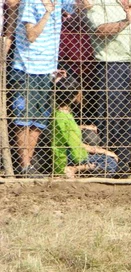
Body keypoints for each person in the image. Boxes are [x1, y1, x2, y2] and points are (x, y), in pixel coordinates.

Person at [85, 0, 131, 176]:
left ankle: (129, 167)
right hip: (111, 66)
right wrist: (126, 21)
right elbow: (99, 30)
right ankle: (110, 167)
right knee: (111, 118)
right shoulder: (98, 2)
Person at [9, 0, 76, 176]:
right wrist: (47, 13)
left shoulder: (60, 2)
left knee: (38, 121)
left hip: (47, 70)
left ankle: (28, 166)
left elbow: (82, 7)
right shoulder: (30, 3)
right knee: (24, 119)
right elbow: (31, 35)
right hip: (27, 68)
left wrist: (53, 67)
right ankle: (24, 165)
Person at [51, 74, 118, 178]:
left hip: (67, 153)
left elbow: (68, 130)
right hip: (68, 156)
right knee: (111, 162)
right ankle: (74, 169)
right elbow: (77, 145)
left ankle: (82, 168)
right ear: (74, 95)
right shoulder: (63, 117)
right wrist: (105, 151)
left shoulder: (60, 112)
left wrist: (83, 127)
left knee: (91, 139)